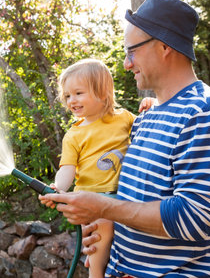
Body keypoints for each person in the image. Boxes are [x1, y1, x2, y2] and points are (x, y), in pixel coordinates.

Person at [40, 0, 210, 277]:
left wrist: (104, 207)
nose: (126, 63)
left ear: (163, 46)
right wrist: (100, 227)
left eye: (131, 51)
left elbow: (194, 218)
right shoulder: (145, 117)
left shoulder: (207, 111)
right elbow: (132, 203)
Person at [40, 58, 154, 278]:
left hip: (125, 196)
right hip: (93, 200)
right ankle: (96, 274)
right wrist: (58, 188)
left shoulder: (124, 118)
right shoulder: (74, 134)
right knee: (102, 228)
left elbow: (147, 126)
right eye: (67, 96)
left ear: (102, 92)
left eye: (78, 93)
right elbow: (67, 169)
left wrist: (152, 104)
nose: (71, 100)